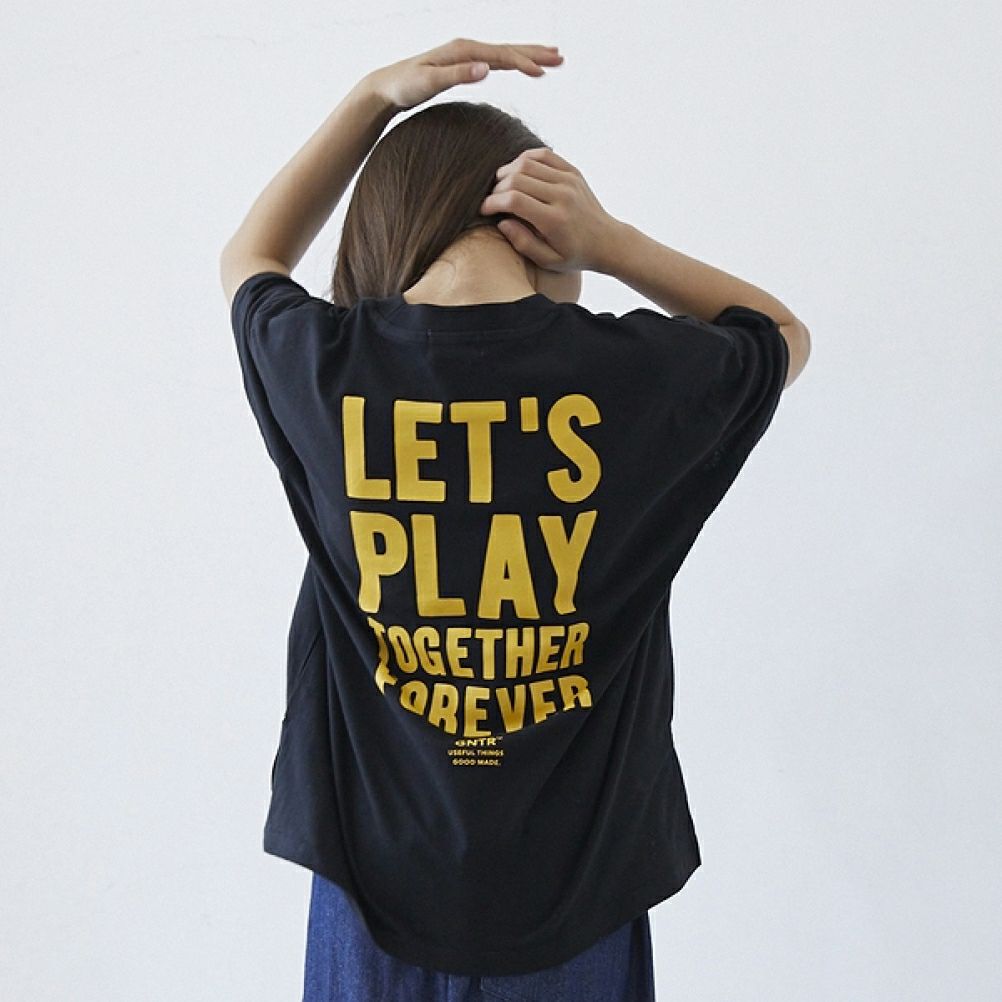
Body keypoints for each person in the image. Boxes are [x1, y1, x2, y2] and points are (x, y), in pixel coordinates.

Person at [220, 38, 810, 1002]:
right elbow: (781, 333)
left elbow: (250, 258)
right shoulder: (636, 378)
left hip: (370, 889)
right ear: (546, 234)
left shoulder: (321, 367)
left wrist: (371, 99)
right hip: (579, 894)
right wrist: (611, 242)